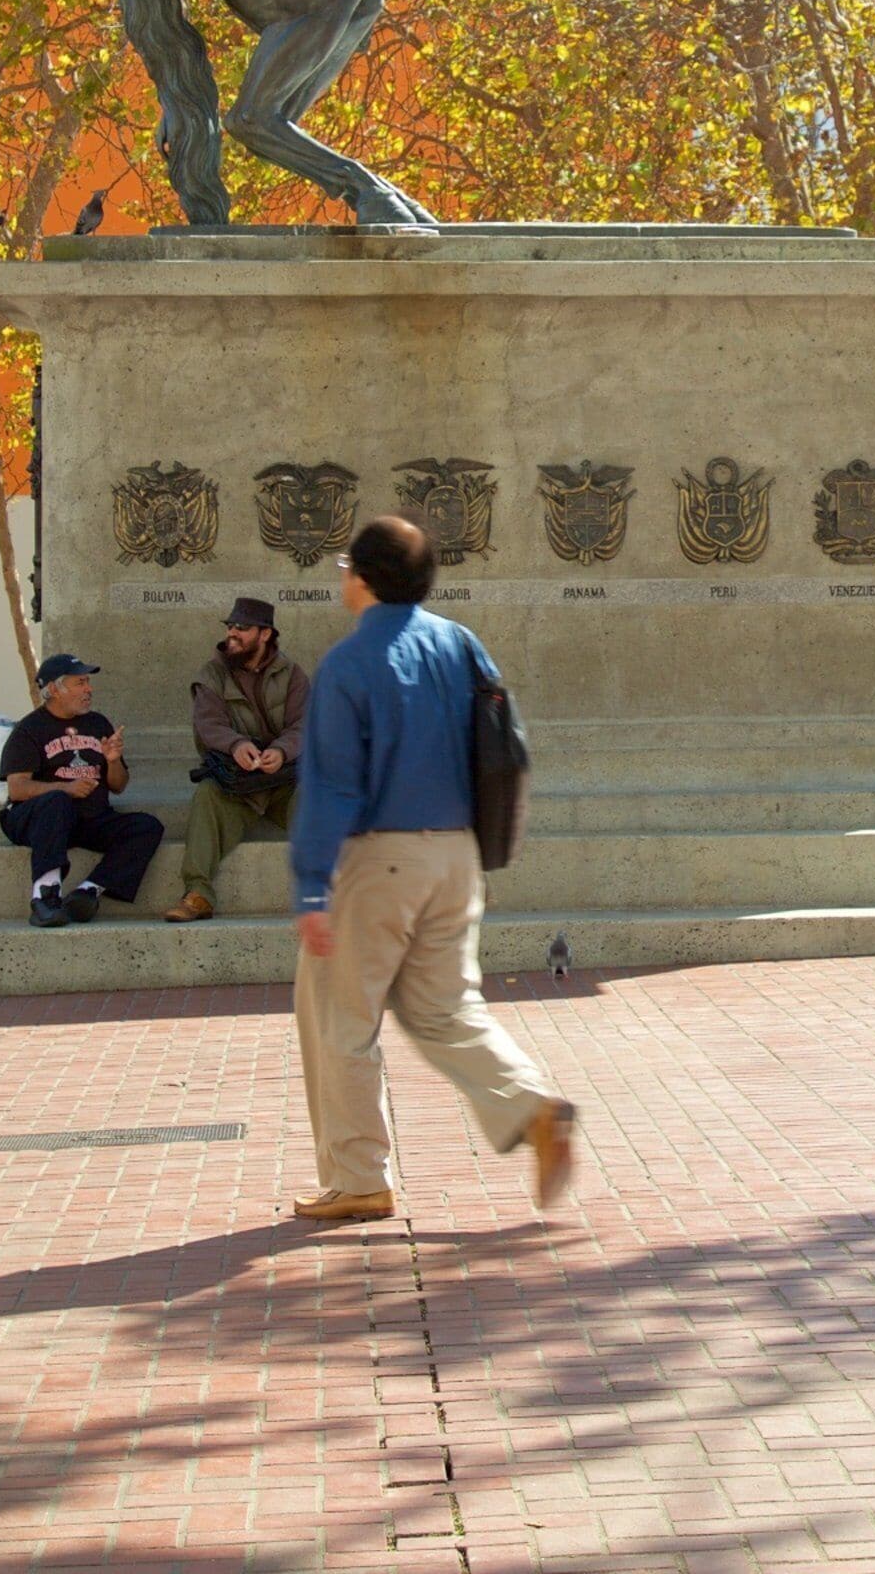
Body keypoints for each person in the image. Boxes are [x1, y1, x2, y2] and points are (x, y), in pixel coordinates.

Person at [286, 514, 579, 1223]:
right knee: (445, 1008)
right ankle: (533, 1107)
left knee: (340, 1018)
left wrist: (311, 884)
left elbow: (332, 785)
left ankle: (359, 1177)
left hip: (379, 855)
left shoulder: (350, 664)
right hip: (457, 853)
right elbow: (503, 744)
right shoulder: (461, 643)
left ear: (361, 577)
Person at [0, 654, 168, 928]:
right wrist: (65, 788)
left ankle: (87, 892)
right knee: (56, 801)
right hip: (39, 821)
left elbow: (118, 785)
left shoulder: (98, 724)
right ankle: (45, 896)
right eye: (80, 683)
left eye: (87, 682)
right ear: (54, 690)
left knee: (146, 826)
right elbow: (17, 789)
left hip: (88, 818)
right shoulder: (29, 729)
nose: (88, 689)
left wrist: (112, 760)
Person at [173, 596, 305, 923]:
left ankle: (330, 891)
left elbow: (305, 725)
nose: (232, 633)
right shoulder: (211, 674)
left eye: (242, 628)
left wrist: (281, 751)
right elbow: (208, 725)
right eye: (230, 626)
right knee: (206, 797)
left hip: (284, 780)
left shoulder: (292, 675)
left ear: (265, 634)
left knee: (317, 797)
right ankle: (198, 895)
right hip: (235, 782)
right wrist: (236, 746)